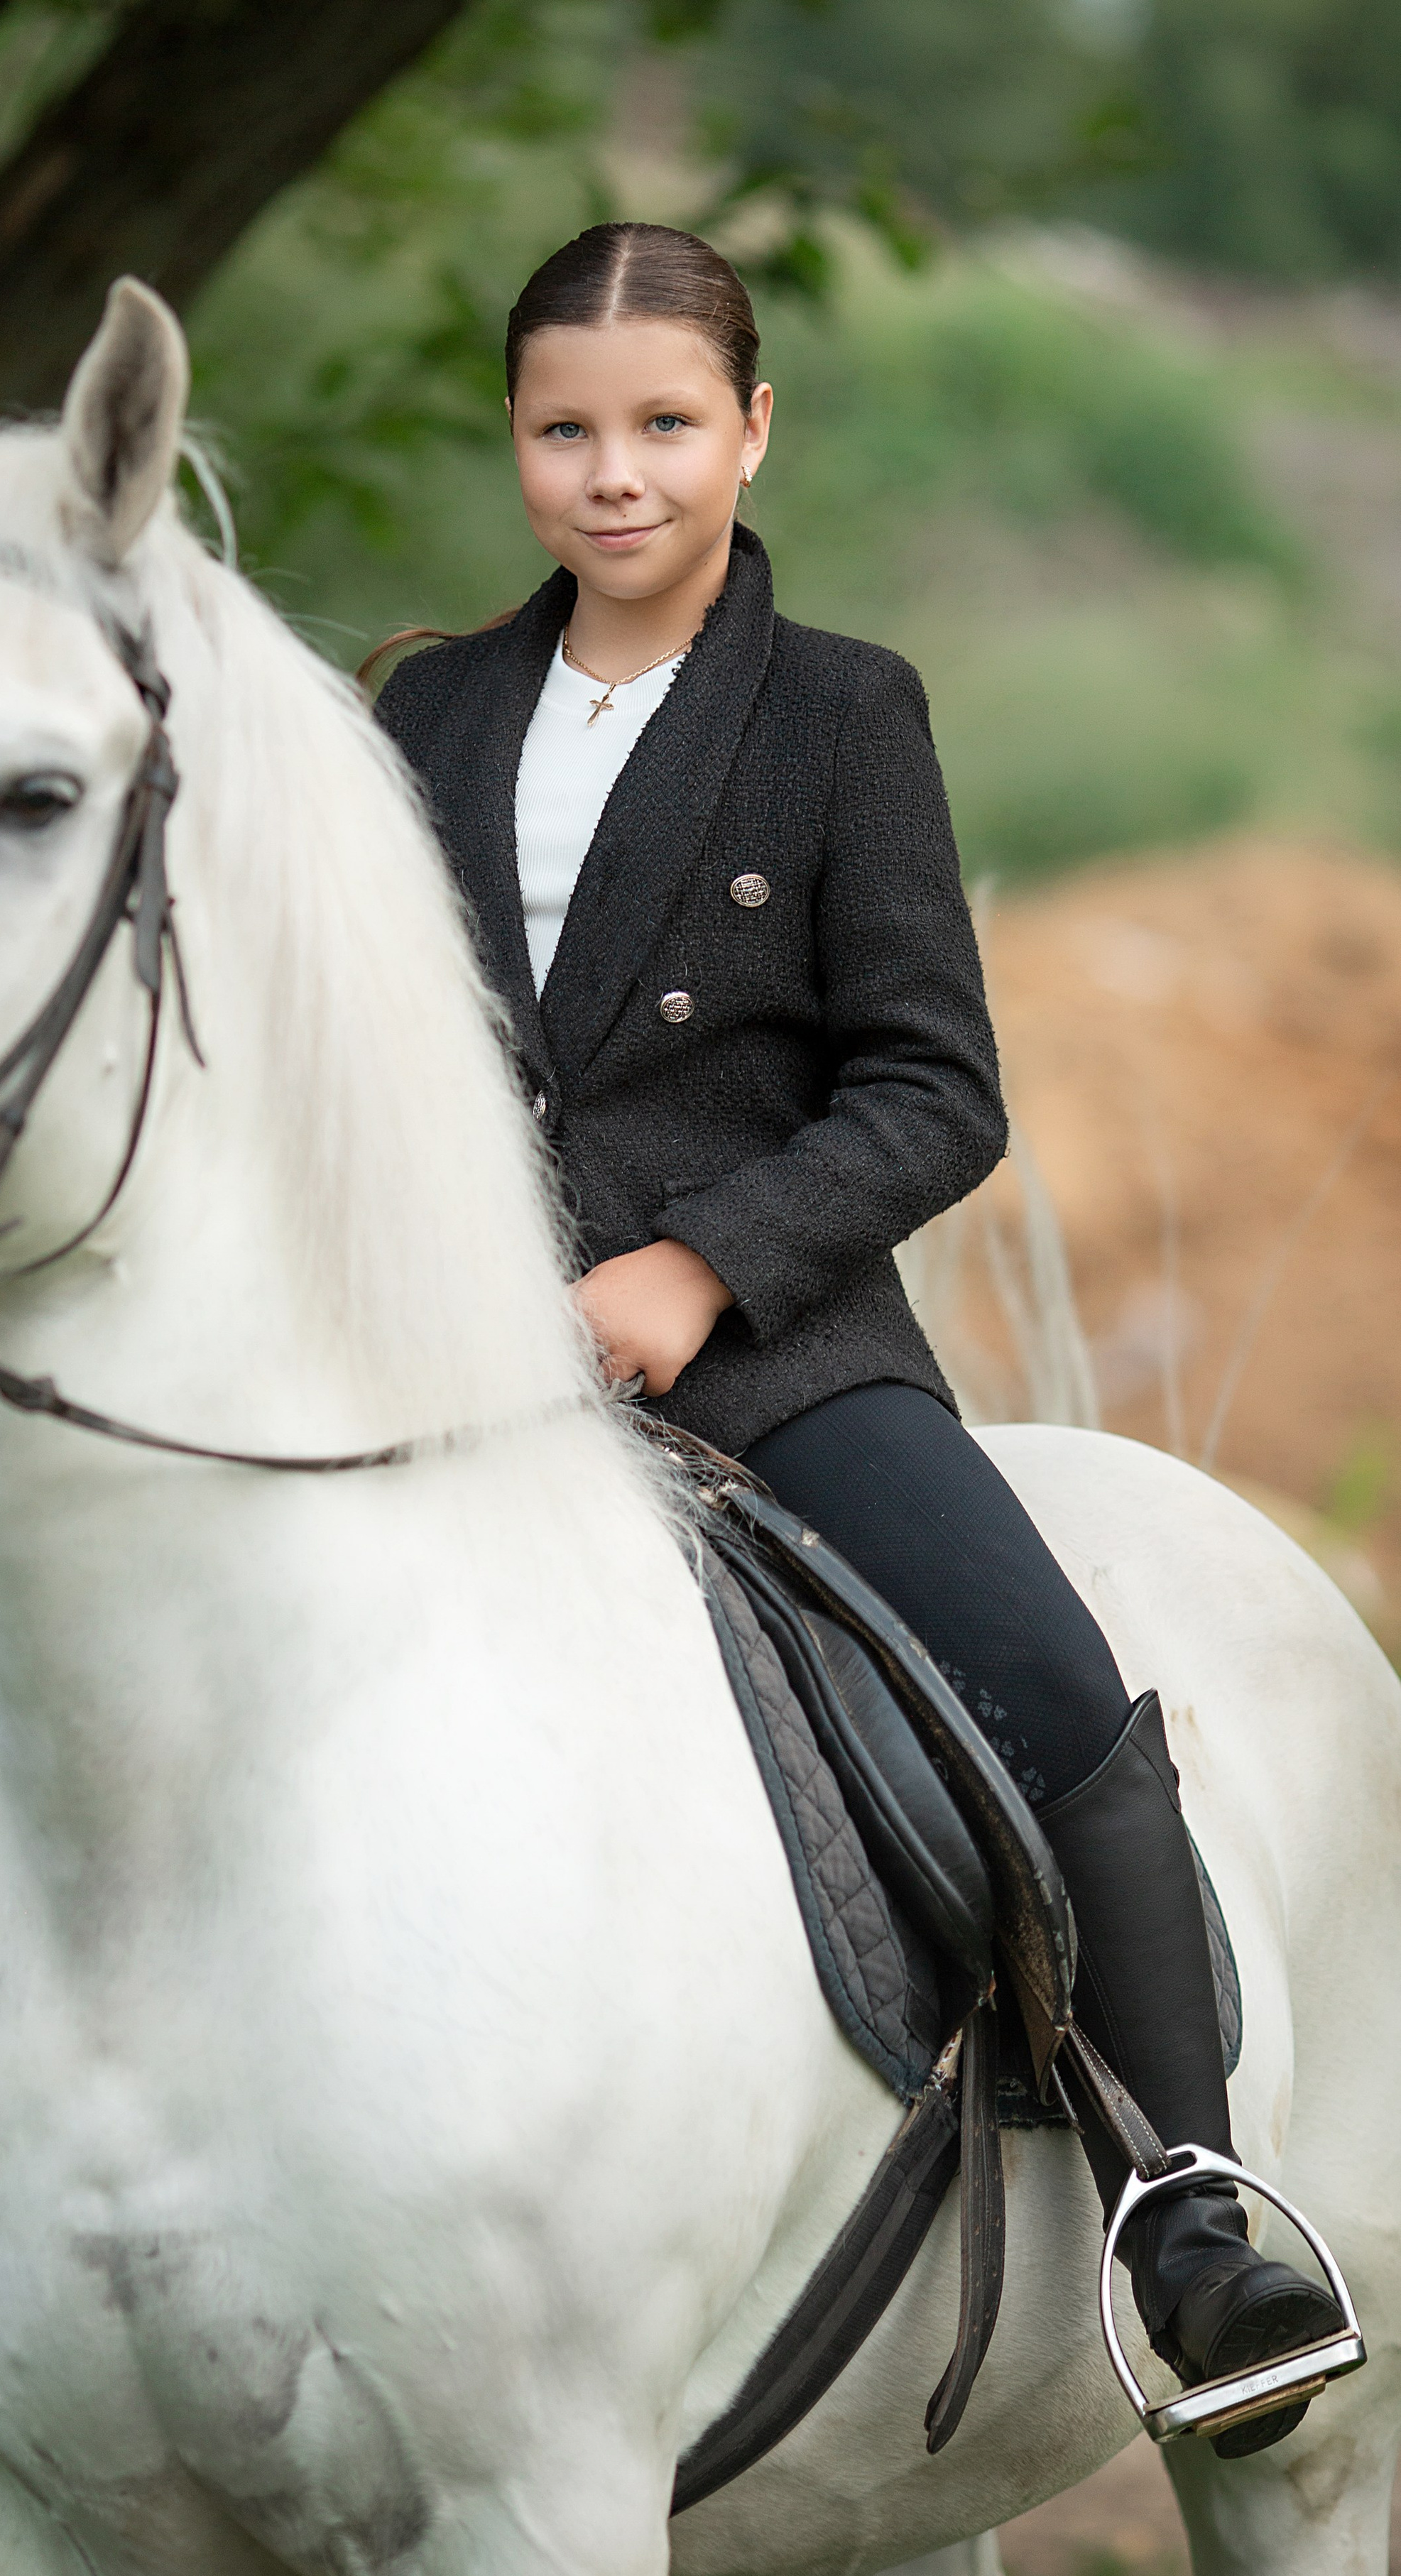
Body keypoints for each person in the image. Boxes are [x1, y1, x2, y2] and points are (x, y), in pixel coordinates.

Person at [369, 219, 1341, 2453]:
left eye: (664, 426)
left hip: (770, 1351)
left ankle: (1185, 2198)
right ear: (517, 438)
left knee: (1055, 1688)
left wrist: (697, 1264)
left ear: (752, 428)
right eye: (565, 428)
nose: (615, 475)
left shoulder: (842, 711)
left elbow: (936, 1086)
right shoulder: (425, 709)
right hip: (441, 1352)